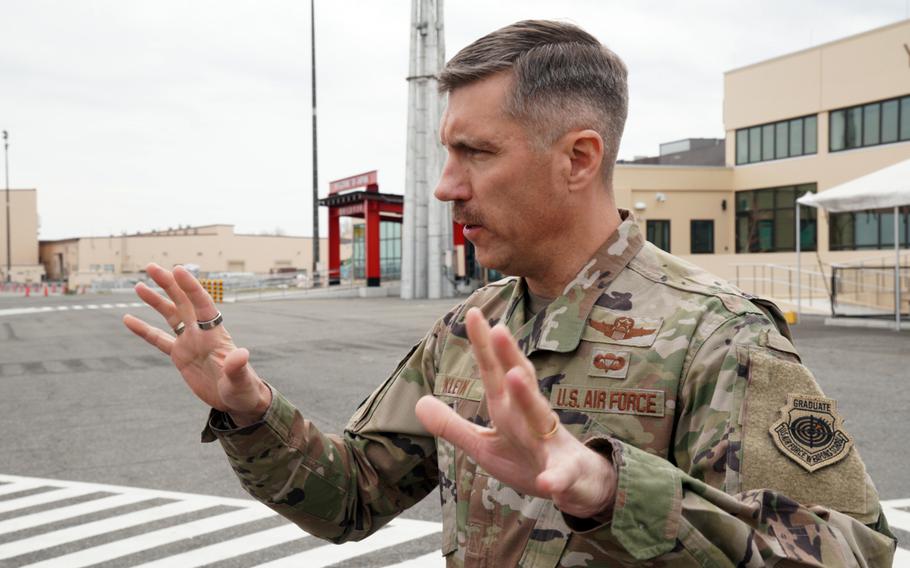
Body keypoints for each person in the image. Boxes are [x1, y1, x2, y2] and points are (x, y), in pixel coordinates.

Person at [123, 20, 896, 567]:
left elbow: (853, 553)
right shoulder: (471, 329)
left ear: (578, 158)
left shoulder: (717, 338)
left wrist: (607, 492)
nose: (442, 187)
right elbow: (350, 498)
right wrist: (251, 412)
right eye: (445, 152)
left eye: (475, 152)